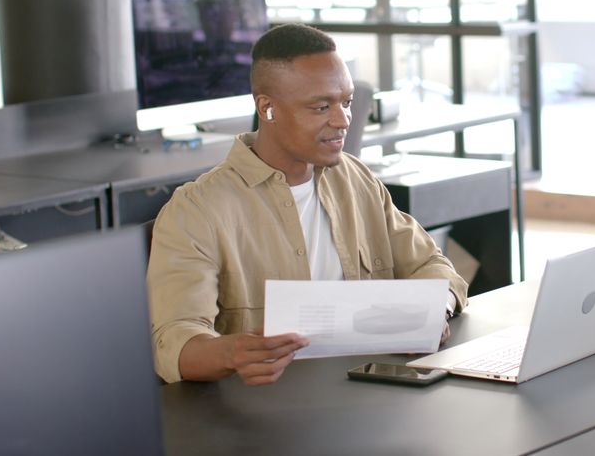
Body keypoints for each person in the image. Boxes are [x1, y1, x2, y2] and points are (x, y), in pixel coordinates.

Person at [147, 23, 469, 386]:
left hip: (366, 392)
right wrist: (233, 352)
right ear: (267, 109)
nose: (343, 120)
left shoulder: (354, 178)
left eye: (346, 102)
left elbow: (430, 263)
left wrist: (433, 310)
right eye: (321, 107)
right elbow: (172, 343)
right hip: (267, 413)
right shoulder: (197, 210)